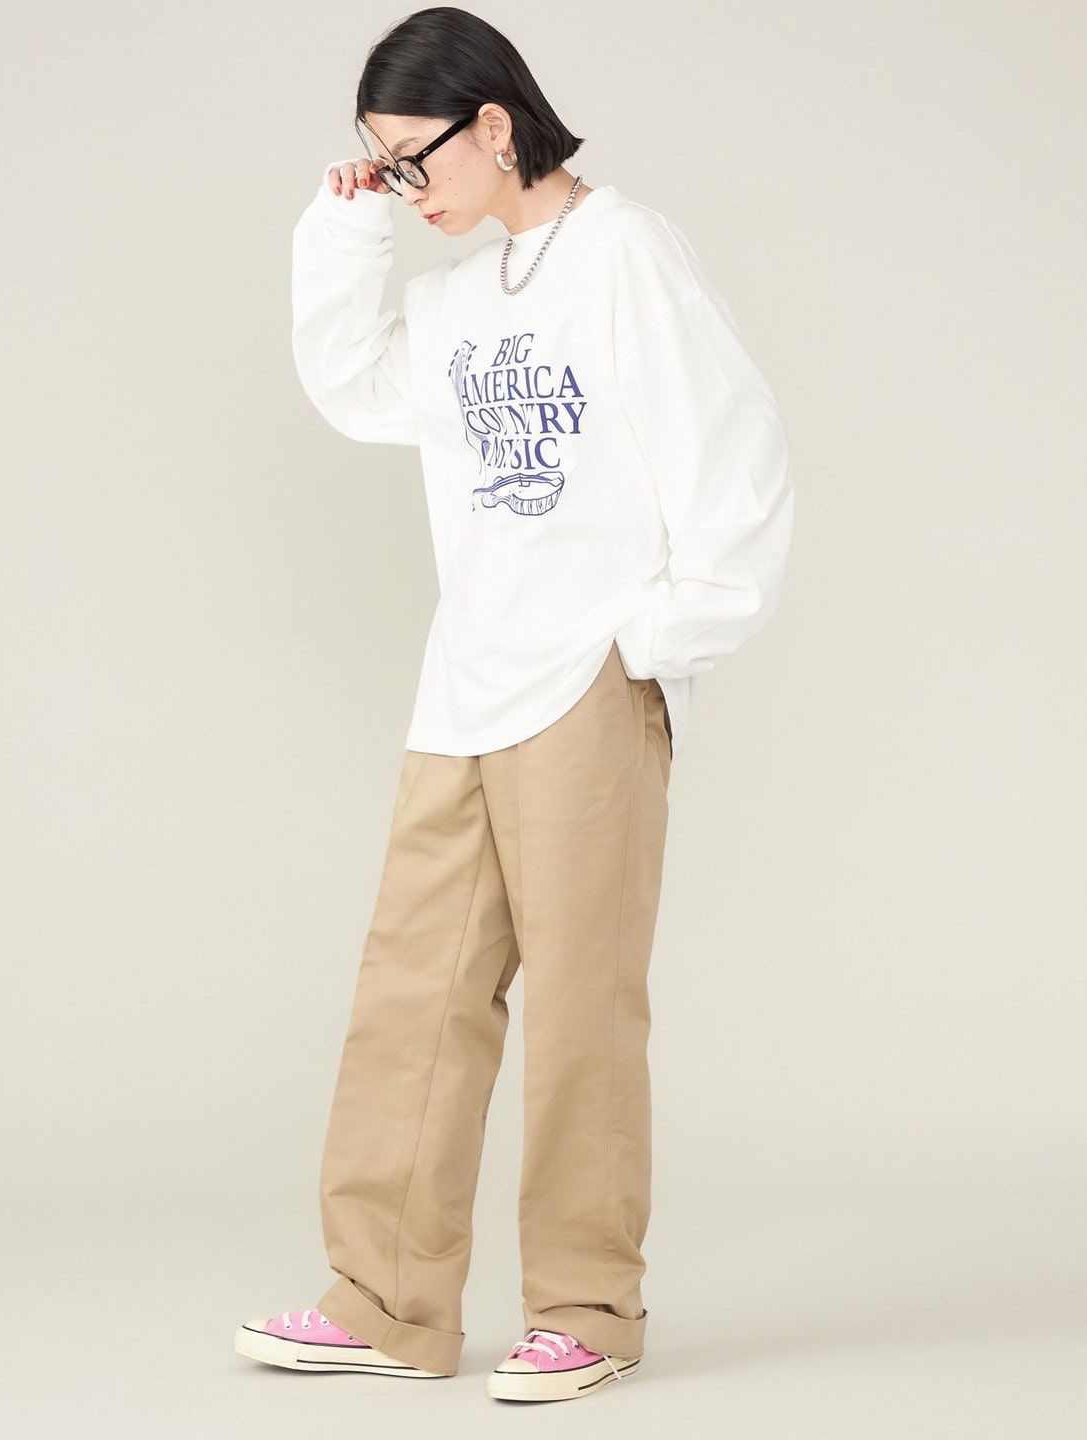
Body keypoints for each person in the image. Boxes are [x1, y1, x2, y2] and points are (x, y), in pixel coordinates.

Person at [234, 4, 794, 1405]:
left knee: (582, 1005)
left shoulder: (627, 252)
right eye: (380, 164)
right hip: (466, 682)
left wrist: (658, 640)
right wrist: (348, 225)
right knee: (412, 996)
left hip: (585, 680)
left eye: (410, 161)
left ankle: (587, 1308)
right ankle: (385, 1300)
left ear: (494, 123)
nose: (404, 187)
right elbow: (352, 389)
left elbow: (734, 448)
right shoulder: (459, 297)